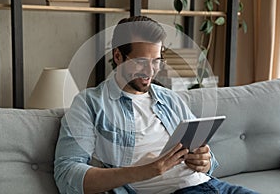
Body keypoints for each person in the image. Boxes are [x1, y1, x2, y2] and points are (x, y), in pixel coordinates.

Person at [54, 16, 258, 194]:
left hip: (213, 186)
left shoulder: (170, 99)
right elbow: (66, 172)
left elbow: (204, 155)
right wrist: (146, 171)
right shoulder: (89, 104)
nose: (150, 71)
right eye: (141, 61)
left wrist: (205, 162)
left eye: (156, 61)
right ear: (118, 56)